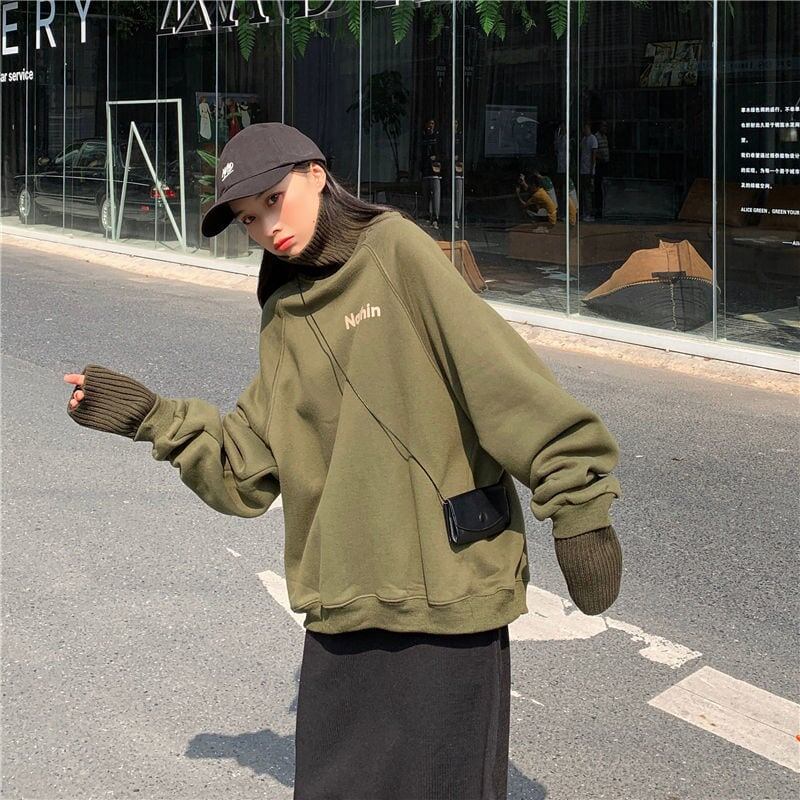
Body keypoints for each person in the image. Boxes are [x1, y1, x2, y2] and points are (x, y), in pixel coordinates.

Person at [64, 122, 623, 800]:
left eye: (273, 200)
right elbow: (246, 469)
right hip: (342, 604)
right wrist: (150, 416)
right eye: (248, 218)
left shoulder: (395, 250)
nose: (267, 227)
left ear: (317, 175)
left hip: (446, 595)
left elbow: (500, 381)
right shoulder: (284, 311)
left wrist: (578, 503)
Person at [420, 117, 442, 229]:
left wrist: (437, 158)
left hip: (435, 171)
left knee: (436, 196)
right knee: (426, 196)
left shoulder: (438, 137)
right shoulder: (423, 137)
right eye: (429, 124)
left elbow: (442, 152)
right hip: (425, 171)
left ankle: (435, 218)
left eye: (432, 124)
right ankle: (427, 217)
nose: (430, 126)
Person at [579, 122, 598, 221]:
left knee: (588, 192)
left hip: (588, 169)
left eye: (586, 128)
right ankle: (584, 212)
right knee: (584, 192)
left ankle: (589, 213)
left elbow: (594, 155)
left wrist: (592, 169)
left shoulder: (593, 139)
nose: (584, 130)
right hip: (583, 169)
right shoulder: (583, 139)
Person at [593, 121, 610, 219]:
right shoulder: (596, 137)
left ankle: (603, 208)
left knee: (604, 187)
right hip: (599, 164)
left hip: (605, 165)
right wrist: (601, 158)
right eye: (604, 126)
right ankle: (598, 209)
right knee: (598, 187)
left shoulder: (605, 137)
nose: (605, 128)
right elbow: (595, 152)